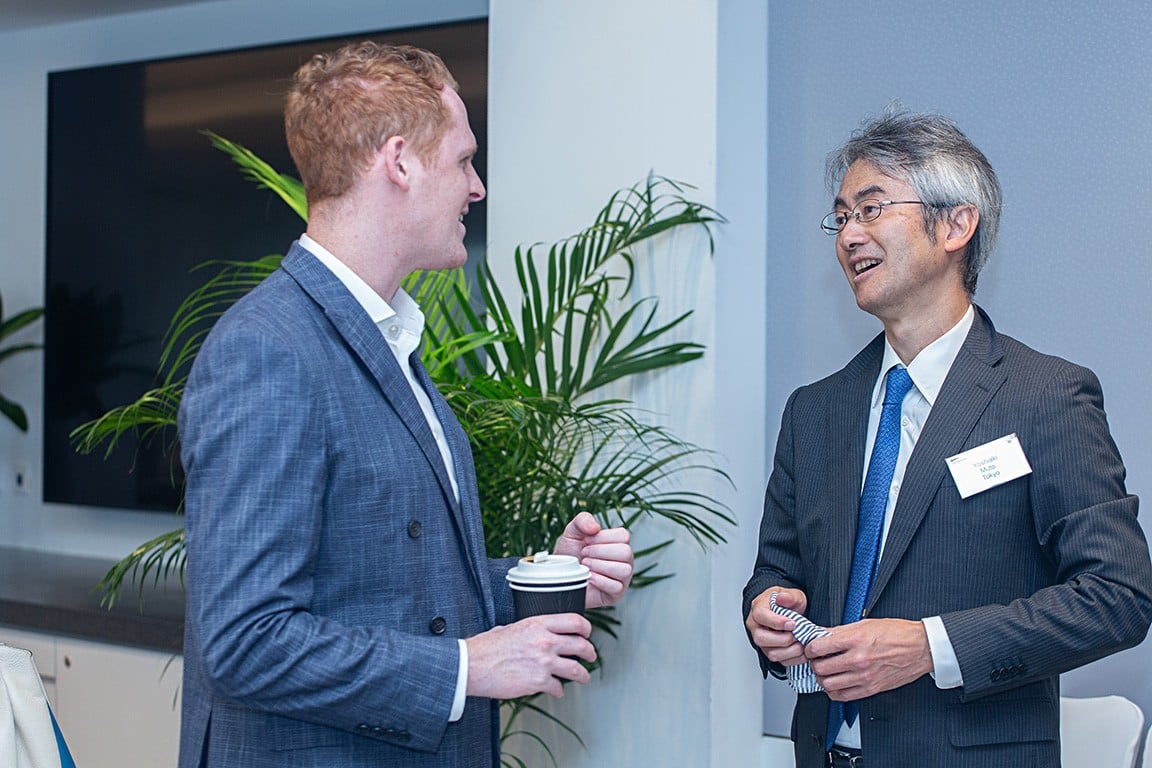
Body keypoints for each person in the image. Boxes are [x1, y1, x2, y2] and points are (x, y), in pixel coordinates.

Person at [177, 41, 634, 768]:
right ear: (399, 162)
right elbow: (244, 642)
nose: (476, 187)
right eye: (463, 161)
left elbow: (391, 581)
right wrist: (467, 668)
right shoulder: (267, 349)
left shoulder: (387, 335)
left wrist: (540, 576)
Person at [743, 109, 1152, 767]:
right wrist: (767, 609)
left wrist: (930, 647)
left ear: (956, 225)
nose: (849, 235)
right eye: (841, 217)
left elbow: (1118, 597)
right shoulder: (814, 412)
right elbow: (776, 569)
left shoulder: (1045, 397)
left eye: (872, 209)